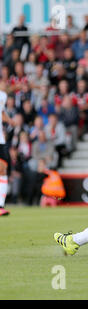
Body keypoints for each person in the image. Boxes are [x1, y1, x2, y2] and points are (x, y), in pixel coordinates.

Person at [0, 83, 14, 216]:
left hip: (1, 140)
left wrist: (9, 121)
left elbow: (2, 112)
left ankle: (0, 205)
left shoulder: (3, 95)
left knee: (3, 169)